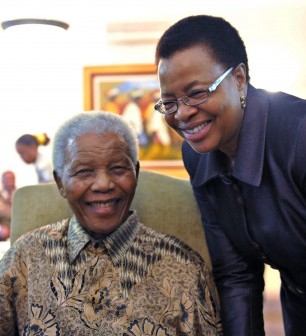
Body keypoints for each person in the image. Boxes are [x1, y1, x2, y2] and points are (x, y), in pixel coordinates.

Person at [0, 111, 223, 335]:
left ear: (135, 173)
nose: (103, 184)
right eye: (84, 171)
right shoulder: (25, 258)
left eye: (118, 169)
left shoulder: (183, 268)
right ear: (60, 182)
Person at [154, 14, 306, 336]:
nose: (181, 114)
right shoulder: (197, 157)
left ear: (238, 78)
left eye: (196, 93)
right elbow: (237, 273)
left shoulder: (300, 134)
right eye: (169, 102)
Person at [0, 170, 16, 240]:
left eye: (12, 179)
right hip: (4, 231)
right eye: (8, 179)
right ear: (3, 181)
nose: (10, 182)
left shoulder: (19, 195)